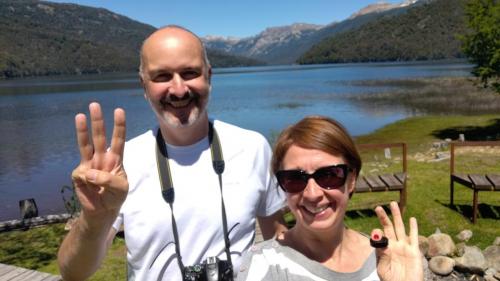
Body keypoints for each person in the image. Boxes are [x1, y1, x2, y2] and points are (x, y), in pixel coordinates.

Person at [57, 25, 287, 281]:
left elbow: (276, 236)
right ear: (143, 86)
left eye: (190, 73)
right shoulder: (119, 166)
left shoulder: (252, 147)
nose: (178, 89)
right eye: (162, 76)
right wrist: (93, 221)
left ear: (209, 77)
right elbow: (73, 273)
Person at [237, 116, 423, 281]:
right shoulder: (262, 266)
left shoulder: (387, 259)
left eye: (329, 175)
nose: (312, 194)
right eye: (294, 179)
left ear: (351, 180)